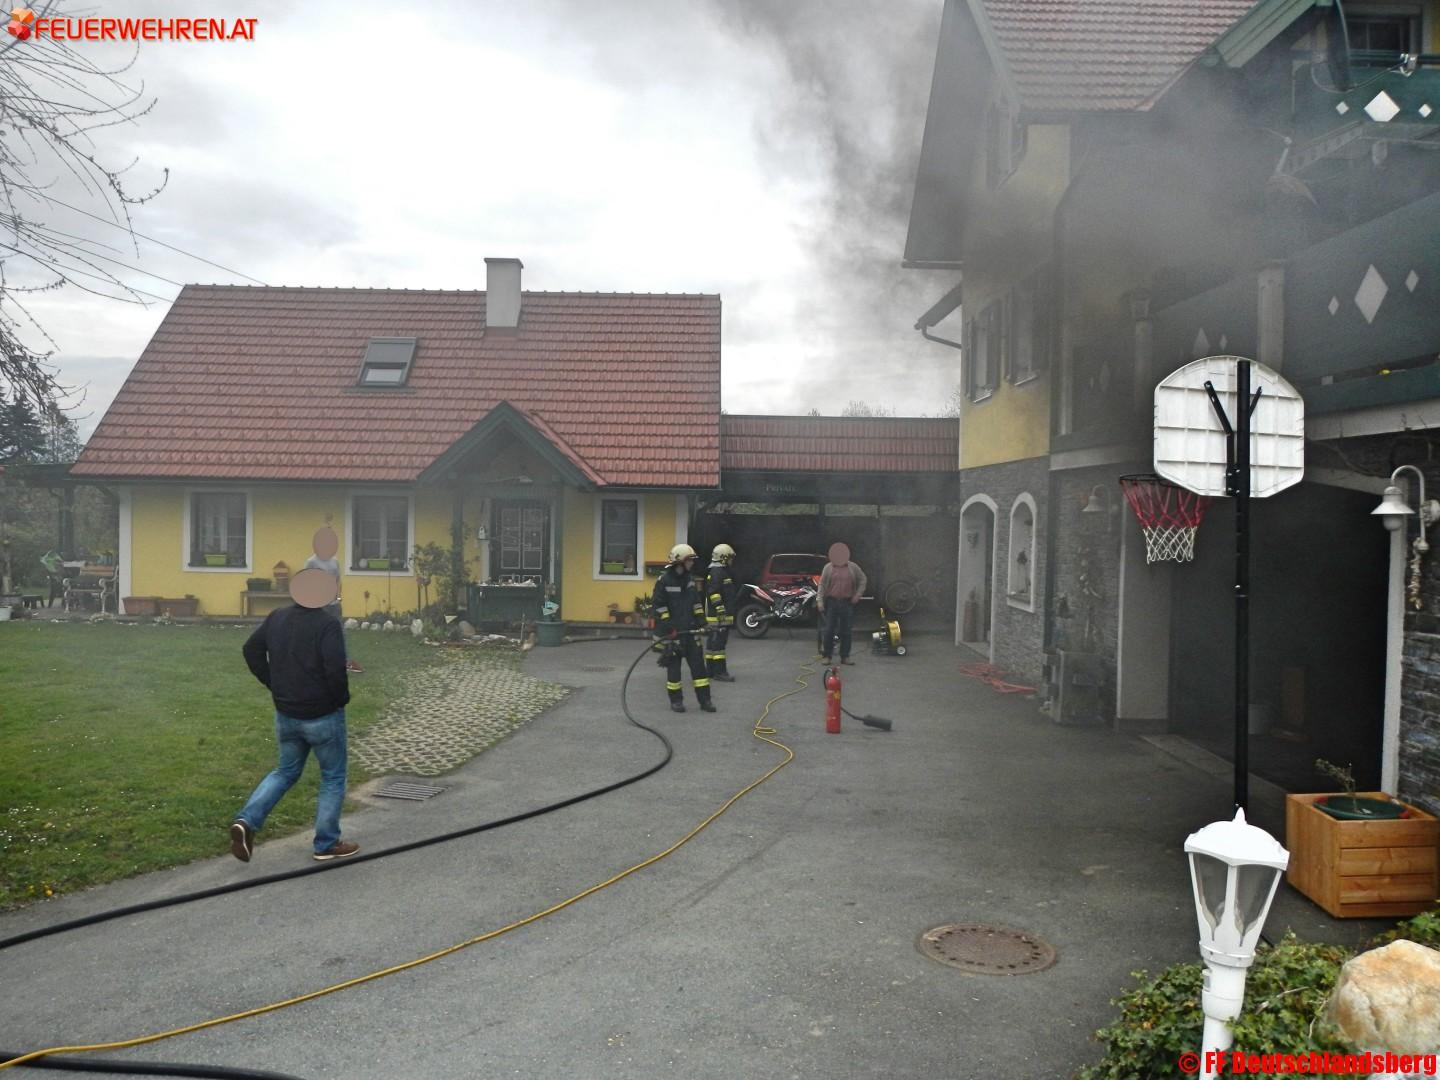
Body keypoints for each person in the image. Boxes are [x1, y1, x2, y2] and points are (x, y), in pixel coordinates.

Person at [230, 530, 358, 863]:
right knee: (332, 776)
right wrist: (340, 699)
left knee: (285, 772)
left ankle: (246, 821)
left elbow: (251, 649)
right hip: (322, 716)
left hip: (286, 713)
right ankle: (327, 843)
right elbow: (334, 670)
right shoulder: (328, 625)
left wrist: (273, 683)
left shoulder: (277, 617)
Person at [651, 543, 716, 714]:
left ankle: (705, 701)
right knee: (674, 671)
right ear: (680, 562)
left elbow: (696, 604)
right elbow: (658, 607)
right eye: (690, 560)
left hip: (690, 633)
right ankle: (676, 702)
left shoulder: (690, 580)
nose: (692, 563)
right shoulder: (664, 581)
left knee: (699, 670)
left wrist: (703, 623)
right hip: (673, 635)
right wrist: (669, 628)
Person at [305, 528, 363, 673]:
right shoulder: (311, 562)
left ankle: (343, 661)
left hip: (334, 604)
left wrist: (338, 597)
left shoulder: (334, 561)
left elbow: (338, 580)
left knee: (339, 632)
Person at [817, 541, 868, 666]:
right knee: (829, 630)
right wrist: (819, 600)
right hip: (832, 602)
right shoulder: (828, 568)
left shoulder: (853, 567)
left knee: (846, 631)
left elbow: (863, 579)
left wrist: (857, 595)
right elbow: (822, 585)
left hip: (847, 603)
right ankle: (827, 656)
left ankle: (845, 656)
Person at [704, 542, 739, 682]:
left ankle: (710, 671)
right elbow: (714, 593)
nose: (731, 560)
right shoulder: (718, 573)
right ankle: (720, 672)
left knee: (713, 645)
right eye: (730, 557)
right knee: (718, 646)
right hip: (719, 618)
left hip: (719, 617)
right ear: (723, 558)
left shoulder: (718, 572)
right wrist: (720, 610)